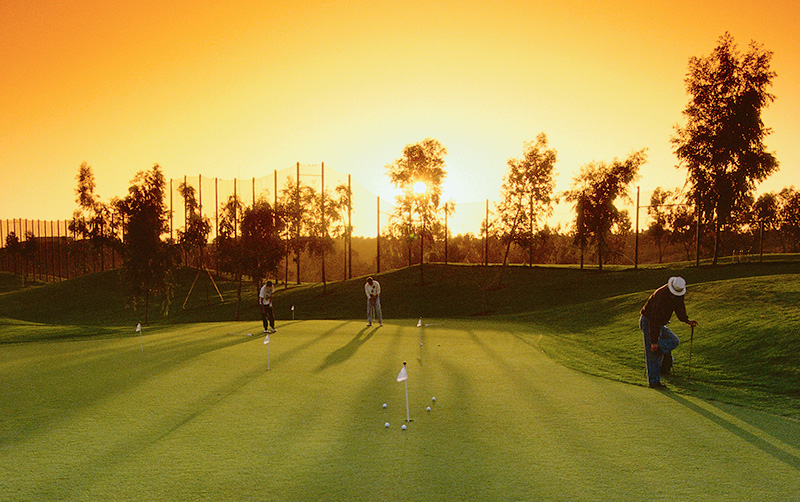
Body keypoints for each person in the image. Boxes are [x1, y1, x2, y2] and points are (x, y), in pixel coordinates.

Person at [639, 276, 698, 389]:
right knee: (653, 352)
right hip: (649, 322)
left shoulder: (678, 294)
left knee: (674, 340)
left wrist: (687, 320)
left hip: (659, 323)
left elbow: (680, 309)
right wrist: (654, 341)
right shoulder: (661, 295)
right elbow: (654, 319)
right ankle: (654, 382)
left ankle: (660, 353)